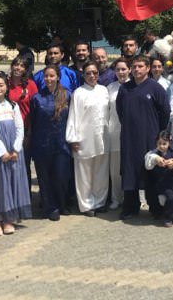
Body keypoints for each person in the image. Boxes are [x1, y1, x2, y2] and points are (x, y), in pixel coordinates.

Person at [117, 55, 170, 218]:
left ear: (148, 68)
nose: (137, 69)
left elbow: (165, 112)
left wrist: (158, 132)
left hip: (150, 137)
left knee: (150, 170)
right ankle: (131, 207)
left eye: (140, 66)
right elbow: (120, 111)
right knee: (130, 170)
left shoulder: (156, 88)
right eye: (134, 66)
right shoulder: (124, 89)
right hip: (129, 138)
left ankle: (155, 207)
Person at [0, 72, 32, 237]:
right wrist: (1, 152)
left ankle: (9, 218)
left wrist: (16, 148)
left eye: (1, 85)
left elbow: (20, 127)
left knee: (12, 181)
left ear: (6, 86)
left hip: (14, 151)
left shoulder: (13, 106)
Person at [65, 60, 111, 216]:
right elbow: (73, 116)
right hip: (84, 139)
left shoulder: (104, 90)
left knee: (101, 173)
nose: (92, 76)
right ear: (83, 75)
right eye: (88, 73)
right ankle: (86, 205)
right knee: (84, 174)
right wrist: (73, 139)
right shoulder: (78, 93)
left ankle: (100, 202)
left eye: (95, 73)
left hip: (103, 138)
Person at [27, 65, 71, 221]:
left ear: (58, 77)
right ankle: (50, 207)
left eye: (52, 76)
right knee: (44, 178)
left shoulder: (67, 95)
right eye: (46, 76)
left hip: (61, 143)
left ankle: (62, 204)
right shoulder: (37, 98)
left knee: (60, 177)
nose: (49, 79)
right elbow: (32, 121)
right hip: (42, 143)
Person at [144, 130, 173, 227]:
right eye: (159, 143)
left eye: (164, 144)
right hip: (164, 184)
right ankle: (167, 217)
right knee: (171, 198)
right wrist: (156, 160)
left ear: (169, 143)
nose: (162, 146)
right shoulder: (155, 154)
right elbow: (148, 163)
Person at [9, 55, 38, 191]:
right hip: (8, 130)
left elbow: (34, 110)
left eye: (22, 66)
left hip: (26, 130)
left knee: (24, 164)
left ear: (26, 69)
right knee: (10, 165)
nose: (18, 68)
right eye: (16, 64)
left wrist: (30, 133)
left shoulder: (30, 85)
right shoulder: (5, 83)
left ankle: (26, 198)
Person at [105, 58, 129, 210]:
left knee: (130, 168)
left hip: (130, 133)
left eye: (124, 69)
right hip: (113, 132)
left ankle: (132, 198)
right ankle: (116, 198)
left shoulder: (134, 86)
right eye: (118, 70)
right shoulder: (109, 88)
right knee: (114, 170)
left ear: (129, 70)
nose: (121, 72)